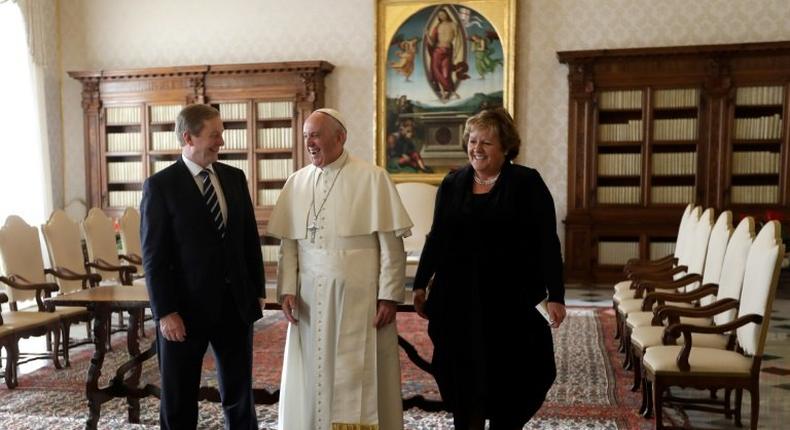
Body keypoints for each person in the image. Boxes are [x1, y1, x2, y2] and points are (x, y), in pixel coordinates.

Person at [412, 107, 566, 429]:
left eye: (486, 143)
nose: (476, 149)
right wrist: (420, 283)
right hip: (459, 304)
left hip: (511, 306)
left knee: (512, 384)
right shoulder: (453, 183)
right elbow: (436, 237)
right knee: (464, 386)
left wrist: (557, 295)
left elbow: (547, 242)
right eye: (472, 141)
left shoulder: (527, 183)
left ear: (506, 147)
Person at [267, 108, 413, 430]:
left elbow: (392, 247)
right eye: (306, 136)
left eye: (316, 134)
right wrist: (287, 289)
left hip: (359, 299)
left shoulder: (372, 177)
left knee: (360, 373)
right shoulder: (297, 182)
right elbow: (289, 245)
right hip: (309, 299)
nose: (310, 142)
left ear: (340, 137)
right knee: (313, 372)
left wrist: (389, 297)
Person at [140, 104, 265, 429]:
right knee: (179, 396)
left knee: (239, 393)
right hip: (184, 313)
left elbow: (248, 239)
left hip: (235, 305)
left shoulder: (234, 178)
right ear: (188, 137)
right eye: (214, 135)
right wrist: (165, 312)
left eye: (220, 134)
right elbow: (154, 257)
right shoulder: (161, 187)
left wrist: (257, 290)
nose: (220, 142)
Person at [425, 8, 464, 101]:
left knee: (446, 73)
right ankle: (444, 93)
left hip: (448, 50)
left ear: (447, 14)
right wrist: (427, 35)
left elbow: (458, 41)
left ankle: (451, 91)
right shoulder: (437, 27)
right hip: (437, 51)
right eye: (439, 15)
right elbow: (431, 43)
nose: (441, 16)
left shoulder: (453, 25)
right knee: (436, 71)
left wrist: (456, 52)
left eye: (443, 14)